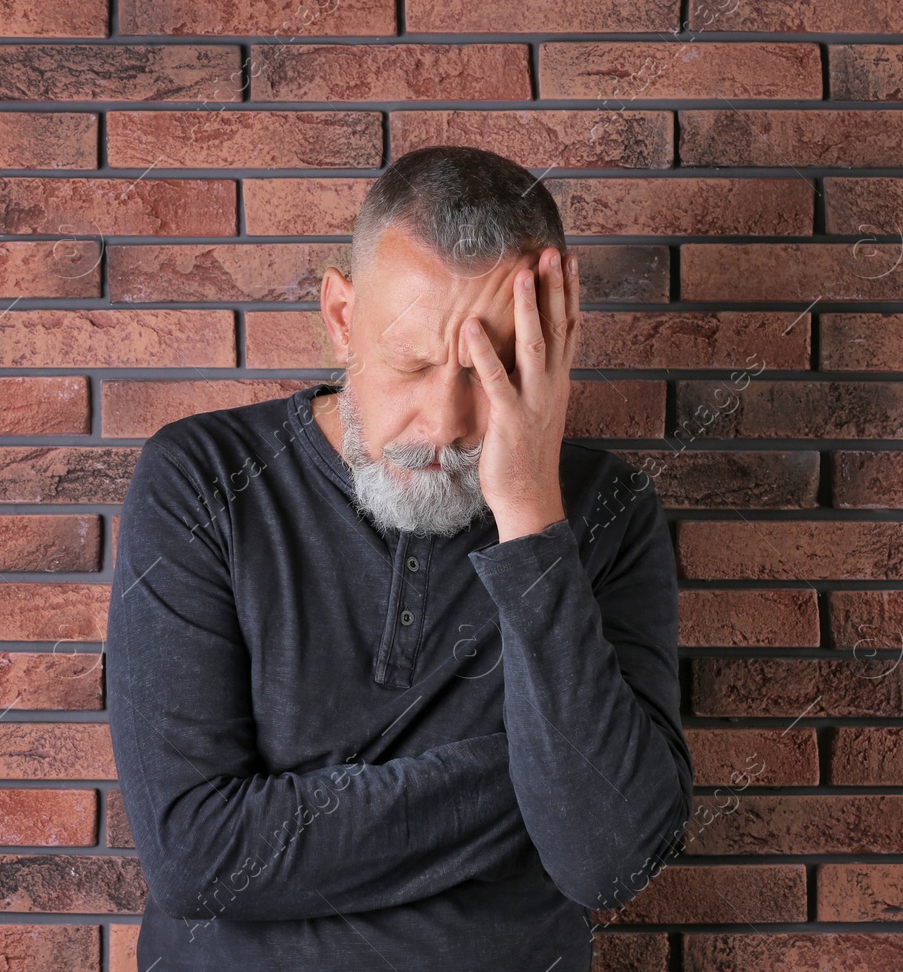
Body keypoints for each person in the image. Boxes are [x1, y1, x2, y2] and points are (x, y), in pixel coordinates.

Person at [106, 145, 691, 971]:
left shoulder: (607, 513)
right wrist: (523, 782)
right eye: (411, 364)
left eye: (492, 372)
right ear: (342, 318)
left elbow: (608, 855)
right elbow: (196, 857)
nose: (446, 423)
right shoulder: (201, 481)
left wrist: (530, 516)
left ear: (551, 349)